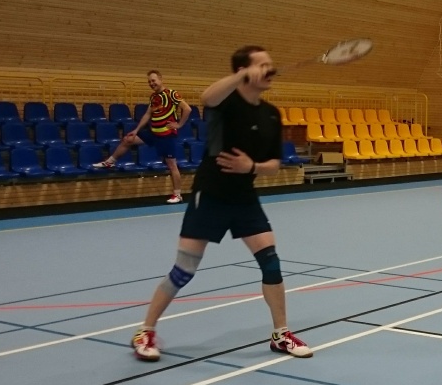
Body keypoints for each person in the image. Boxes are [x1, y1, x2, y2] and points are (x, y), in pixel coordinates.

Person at [130, 46, 313, 362]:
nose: (269, 69)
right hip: (211, 195)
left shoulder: (271, 114)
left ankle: (281, 334)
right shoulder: (225, 103)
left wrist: (251, 167)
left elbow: (273, 164)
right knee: (183, 271)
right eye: (262, 65)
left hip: (244, 197)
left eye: (270, 64)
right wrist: (241, 77)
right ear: (243, 71)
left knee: (271, 263)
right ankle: (145, 331)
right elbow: (207, 97)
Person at [92, 70, 190, 204]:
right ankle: (110, 162)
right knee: (128, 139)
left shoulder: (171, 94)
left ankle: (177, 195)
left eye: (153, 80)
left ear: (160, 79)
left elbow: (187, 109)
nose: (151, 83)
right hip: (153, 133)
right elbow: (147, 115)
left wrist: (179, 125)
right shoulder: (154, 97)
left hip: (166, 135)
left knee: (172, 165)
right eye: (149, 82)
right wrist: (136, 130)